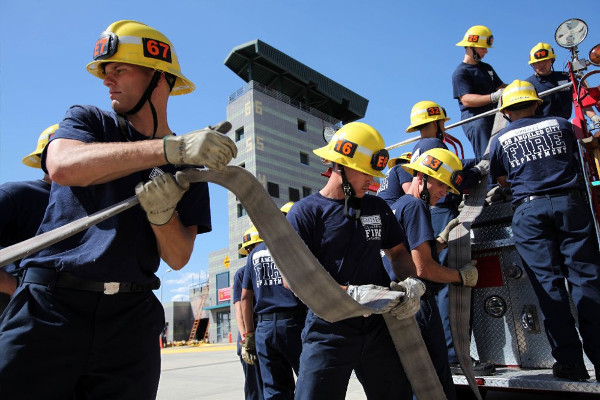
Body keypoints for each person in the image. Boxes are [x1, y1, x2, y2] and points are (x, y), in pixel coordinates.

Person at [0, 20, 237, 399]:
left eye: (119, 70)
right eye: (105, 73)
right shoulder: (89, 122)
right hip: (50, 307)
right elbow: (62, 165)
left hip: (130, 321)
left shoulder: (192, 168)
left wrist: (162, 218)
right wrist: (168, 150)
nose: (108, 81)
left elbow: (177, 257)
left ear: (160, 77)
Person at [286, 121, 423, 400]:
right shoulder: (305, 213)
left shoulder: (377, 207)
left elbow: (398, 253)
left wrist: (410, 283)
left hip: (378, 326)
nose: (371, 181)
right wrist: (350, 295)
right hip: (329, 330)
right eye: (364, 172)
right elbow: (293, 281)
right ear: (340, 165)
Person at [489, 79, 600, 381]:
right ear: (537, 103)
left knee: (548, 286)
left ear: (508, 111)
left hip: (529, 210)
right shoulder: (561, 124)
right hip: (571, 205)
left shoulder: (500, 138)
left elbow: (500, 179)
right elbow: (581, 156)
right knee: (586, 280)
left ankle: (570, 363)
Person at [390, 148, 479, 399]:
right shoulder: (417, 206)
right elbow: (423, 268)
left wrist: (439, 240)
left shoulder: (399, 206)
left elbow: (411, 253)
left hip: (400, 303)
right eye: (441, 184)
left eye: (448, 189)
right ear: (422, 177)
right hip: (418, 304)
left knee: (414, 378)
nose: (444, 193)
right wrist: (461, 276)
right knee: (434, 378)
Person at [241, 204, 306, 400]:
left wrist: (249, 334)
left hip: (264, 328)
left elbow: (245, 297)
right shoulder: (293, 246)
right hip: (294, 324)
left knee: (274, 389)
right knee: (308, 381)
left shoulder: (254, 254)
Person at [0, 124, 55, 313]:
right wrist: (12, 286)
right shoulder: (16, 195)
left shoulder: (91, 208)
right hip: (14, 316)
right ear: (44, 159)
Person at [452, 25, 506, 158]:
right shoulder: (461, 72)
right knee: (488, 156)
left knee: (501, 153)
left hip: (494, 116)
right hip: (476, 120)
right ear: (471, 47)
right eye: (483, 48)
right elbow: (466, 99)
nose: (486, 51)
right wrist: (493, 97)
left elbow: (501, 87)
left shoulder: (487, 68)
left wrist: (521, 87)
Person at [525, 42, 600, 126]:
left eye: (545, 61)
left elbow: (581, 100)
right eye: (538, 62)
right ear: (533, 64)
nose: (542, 65)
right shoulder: (528, 86)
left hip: (564, 125)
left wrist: (594, 117)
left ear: (551, 60)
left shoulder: (565, 78)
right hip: (540, 128)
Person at [235, 227, 265, 400]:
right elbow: (240, 307)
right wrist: (246, 338)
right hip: (249, 334)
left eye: (254, 245)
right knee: (254, 386)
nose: (251, 251)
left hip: (265, 330)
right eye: (248, 248)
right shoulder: (241, 273)